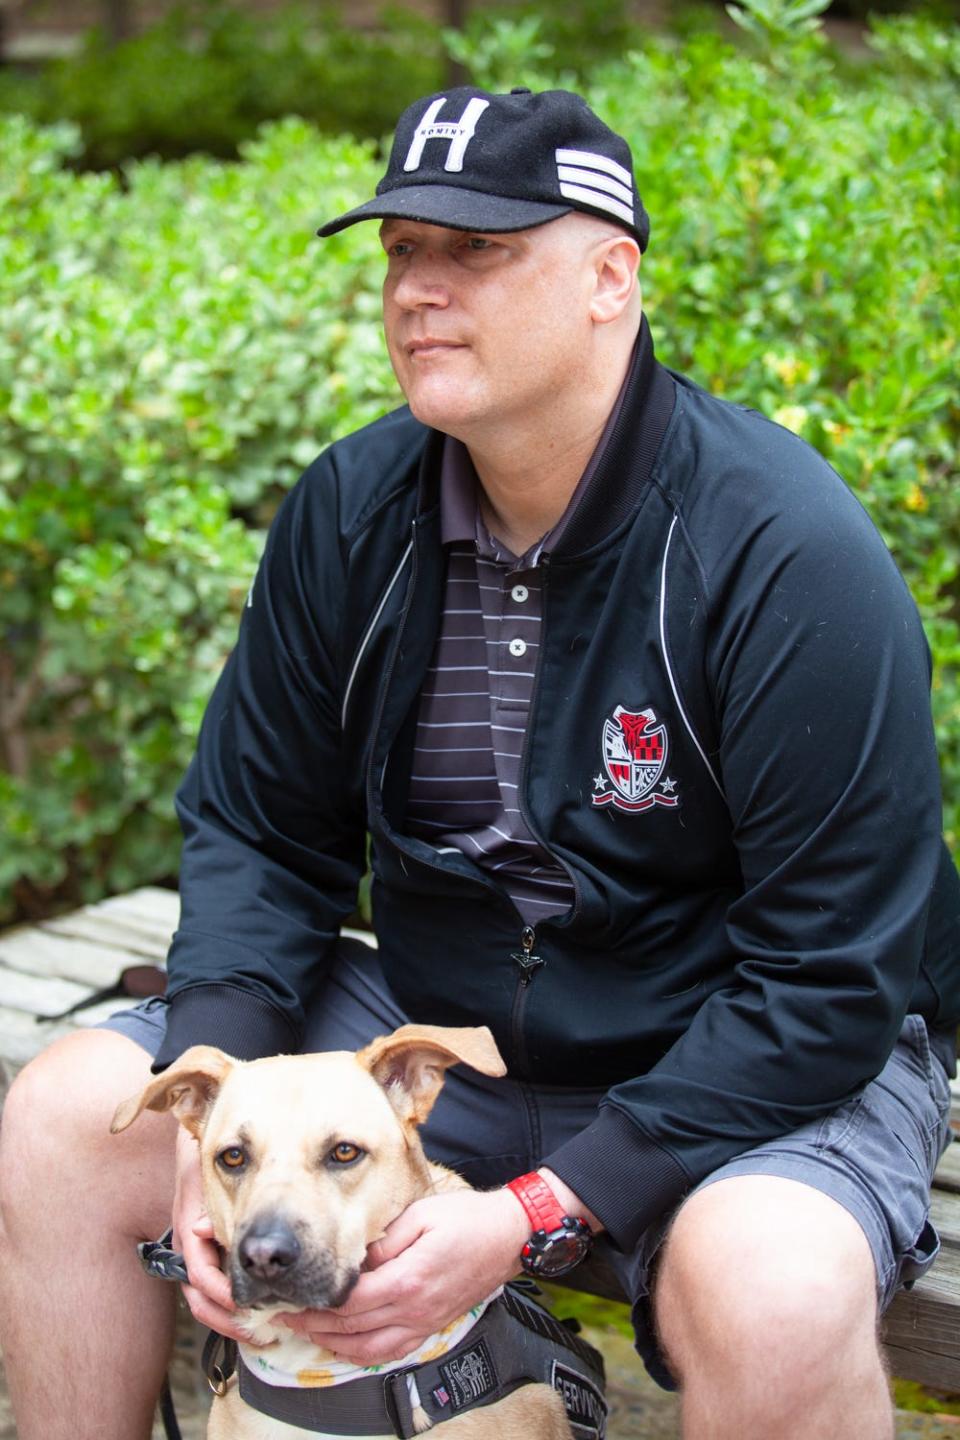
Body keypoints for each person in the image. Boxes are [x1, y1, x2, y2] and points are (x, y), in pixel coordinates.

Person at [1, 85, 958, 1440]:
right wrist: (201, 1137)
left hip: (732, 1062)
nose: (419, 290)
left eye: (480, 249)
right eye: (402, 250)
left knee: (778, 1290)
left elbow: (831, 975)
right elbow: (263, 838)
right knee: (65, 1121)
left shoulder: (781, 550)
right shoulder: (352, 509)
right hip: (439, 1041)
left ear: (609, 279)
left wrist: (533, 1216)